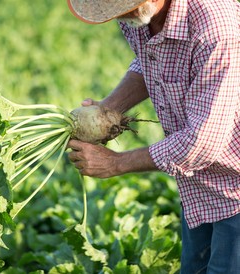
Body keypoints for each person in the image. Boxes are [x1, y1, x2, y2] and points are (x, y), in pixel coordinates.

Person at [66, 0, 240, 273]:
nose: (119, 16)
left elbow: (202, 141)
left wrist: (115, 163)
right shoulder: (139, 18)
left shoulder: (215, 29)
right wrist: (106, 111)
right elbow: (151, 61)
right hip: (199, 186)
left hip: (235, 187)